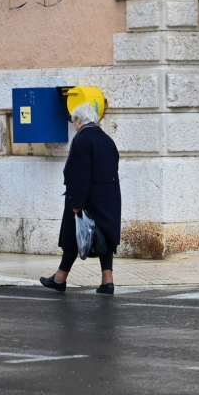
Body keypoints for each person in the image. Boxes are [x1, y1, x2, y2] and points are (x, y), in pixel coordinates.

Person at [40, 103, 121, 294]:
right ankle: (107, 281)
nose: (74, 125)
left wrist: (76, 203)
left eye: (74, 121)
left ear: (79, 121)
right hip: (109, 198)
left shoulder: (82, 139)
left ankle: (60, 279)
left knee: (72, 238)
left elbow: (79, 174)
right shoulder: (108, 140)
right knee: (106, 238)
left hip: (86, 198)